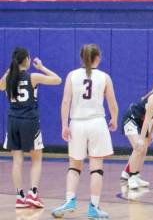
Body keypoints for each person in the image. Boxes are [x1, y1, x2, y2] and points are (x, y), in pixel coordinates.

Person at [51, 44, 119, 219]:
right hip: (97, 123)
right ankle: (94, 207)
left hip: (77, 124)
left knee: (74, 166)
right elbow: (112, 103)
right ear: (98, 58)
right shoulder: (105, 77)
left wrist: (64, 125)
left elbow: (65, 102)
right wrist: (114, 118)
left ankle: (69, 200)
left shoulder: (72, 75)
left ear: (82, 58)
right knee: (96, 168)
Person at [0, 47, 61, 209]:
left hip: (13, 121)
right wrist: (42, 67)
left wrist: (8, 71)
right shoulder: (32, 76)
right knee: (36, 158)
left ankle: (19, 197)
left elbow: (0, 87)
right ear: (26, 59)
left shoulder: (8, 79)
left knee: (17, 160)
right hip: (29, 121)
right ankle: (33, 194)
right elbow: (57, 80)